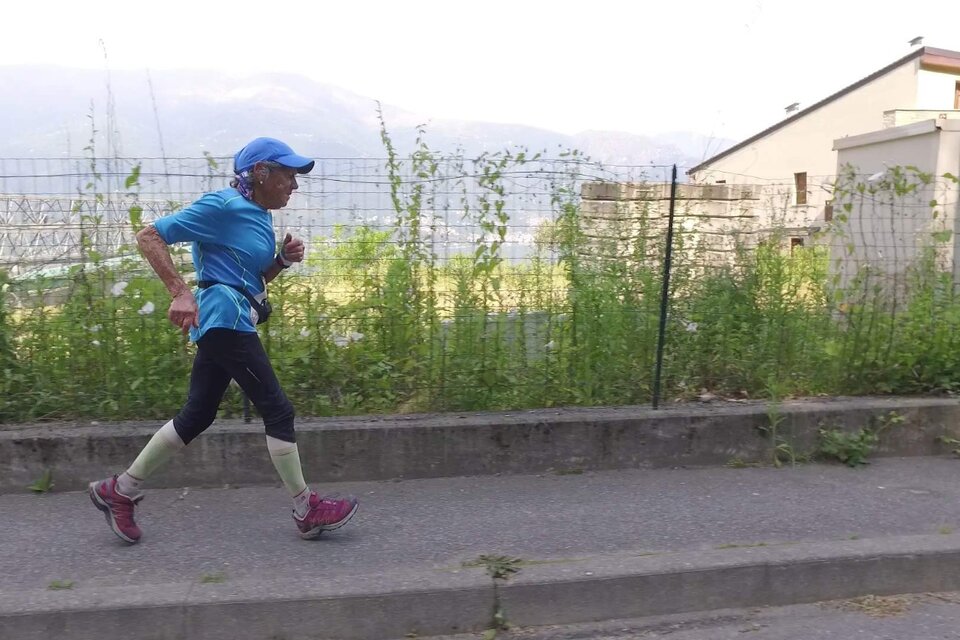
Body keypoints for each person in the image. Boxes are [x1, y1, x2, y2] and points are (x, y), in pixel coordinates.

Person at [89, 137, 358, 543]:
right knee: (277, 409)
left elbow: (249, 279)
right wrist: (179, 291)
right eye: (288, 175)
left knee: (198, 414)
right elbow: (150, 236)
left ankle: (119, 491)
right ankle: (307, 508)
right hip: (224, 319)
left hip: (232, 318)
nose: (295, 185)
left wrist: (280, 262)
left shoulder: (258, 215)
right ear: (261, 173)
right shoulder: (222, 205)